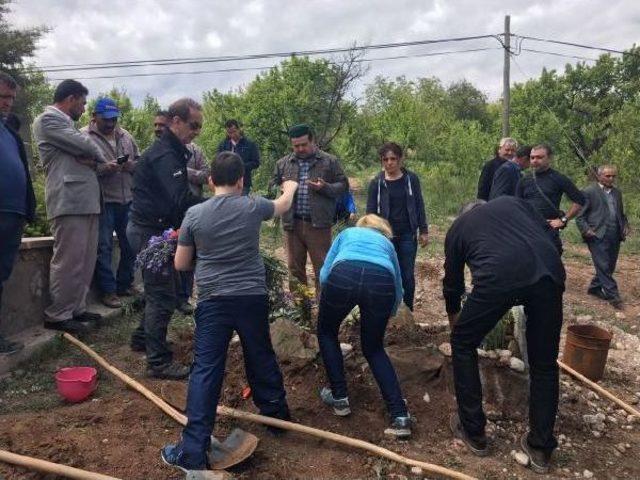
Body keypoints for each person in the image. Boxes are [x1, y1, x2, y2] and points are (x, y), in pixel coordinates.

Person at [161, 152, 298, 471]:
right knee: (260, 354)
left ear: (210, 181)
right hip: (250, 296)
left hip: (213, 301)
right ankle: (277, 418)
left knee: (207, 368)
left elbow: (181, 264)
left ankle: (193, 451)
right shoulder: (252, 205)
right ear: (241, 181)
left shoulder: (194, 215)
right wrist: (289, 186)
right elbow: (281, 205)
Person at [443, 196, 565, 474]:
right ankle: (541, 447)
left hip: (500, 276)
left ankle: (473, 432)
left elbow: (452, 285)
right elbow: (549, 234)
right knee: (544, 363)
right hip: (549, 272)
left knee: (463, 343)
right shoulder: (514, 203)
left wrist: (456, 325)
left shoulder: (459, 227)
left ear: (463, 214)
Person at [128, 98, 204, 380]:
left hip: (153, 229)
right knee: (163, 295)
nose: (196, 131)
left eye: (199, 127)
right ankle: (157, 361)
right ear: (176, 121)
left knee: (157, 289)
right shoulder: (165, 156)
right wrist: (216, 204)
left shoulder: (173, 151)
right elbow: (179, 199)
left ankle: (142, 339)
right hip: (150, 233)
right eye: (193, 125)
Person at [317, 214, 411, 438]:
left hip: (343, 275)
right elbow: (399, 285)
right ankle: (400, 415)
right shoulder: (387, 244)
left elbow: (324, 272)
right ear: (382, 229)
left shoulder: (347, 234)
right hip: (381, 281)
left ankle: (340, 398)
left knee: (327, 332)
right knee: (374, 348)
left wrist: (328, 298)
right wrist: (390, 311)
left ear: (362, 226)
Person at [32, 79, 107, 334]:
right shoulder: (48, 120)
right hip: (68, 201)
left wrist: (92, 159)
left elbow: (89, 154)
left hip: (86, 201)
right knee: (69, 260)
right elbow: (87, 145)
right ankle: (58, 314)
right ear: (71, 98)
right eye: (83, 103)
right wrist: (92, 154)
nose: (84, 109)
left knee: (85, 260)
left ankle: (76, 308)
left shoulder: (69, 127)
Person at [270, 124, 348, 298]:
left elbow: (343, 186)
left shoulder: (329, 161)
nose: (300, 149)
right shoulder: (283, 163)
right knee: (294, 269)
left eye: (304, 144)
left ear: (312, 141)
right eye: (296, 146)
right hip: (292, 224)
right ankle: (301, 310)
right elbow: (272, 185)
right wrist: (280, 187)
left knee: (323, 268)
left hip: (319, 224)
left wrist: (325, 187)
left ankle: (324, 310)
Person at [82, 98, 139, 308]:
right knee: (103, 247)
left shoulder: (126, 136)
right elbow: (81, 168)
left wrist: (130, 165)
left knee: (131, 244)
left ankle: (125, 283)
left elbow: (140, 162)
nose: (110, 123)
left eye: (114, 118)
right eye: (106, 119)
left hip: (128, 200)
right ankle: (108, 291)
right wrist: (105, 169)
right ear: (94, 116)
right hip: (103, 200)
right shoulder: (84, 137)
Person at [366, 142, 428, 311]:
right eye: (385, 159)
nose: (389, 163)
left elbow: (418, 204)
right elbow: (370, 211)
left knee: (407, 275)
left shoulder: (411, 179)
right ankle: (388, 310)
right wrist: (370, 234)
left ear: (400, 159)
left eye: (393, 159)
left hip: (408, 234)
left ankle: (407, 310)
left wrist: (423, 230)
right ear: (381, 161)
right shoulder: (376, 183)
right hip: (385, 236)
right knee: (386, 272)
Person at [0, 72, 36, 354]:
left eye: (11, 98)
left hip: (12, 214)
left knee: (1, 276)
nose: (7, 103)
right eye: (2, 97)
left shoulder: (9, 132)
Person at [515, 144, 585, 254]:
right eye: (532, 157)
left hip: (548, 230)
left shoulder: (558, 178)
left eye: (539, 157)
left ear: (549, 158)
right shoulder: (524, 180)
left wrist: (563, 220)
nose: (535, 160)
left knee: (551, 264)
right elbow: (517, 205)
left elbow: (580, 200)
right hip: (528, 229)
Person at [576, 165, 629, 309]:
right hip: (596, 234)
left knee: (610, 265)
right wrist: (586, 230)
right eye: (608, 176)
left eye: (613, 176)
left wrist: (624, 225)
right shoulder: (589, 191)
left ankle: (594, 288)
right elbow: (580, 216)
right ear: (599, 176)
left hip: (614, 234)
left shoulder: (617, 192)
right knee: (603, 265)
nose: (611, 179)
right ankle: (614, 297)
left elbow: (621, 213)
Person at [217, 119, 260, 195]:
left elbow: (256, 162)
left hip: (244, 183)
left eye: (234, 132)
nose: (232, 135)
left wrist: (241, 166)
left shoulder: (250, 144)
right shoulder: (223, 145)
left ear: (239, 129)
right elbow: (218, 162)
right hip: (226, 183)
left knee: (241, 205)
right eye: (229, 133)